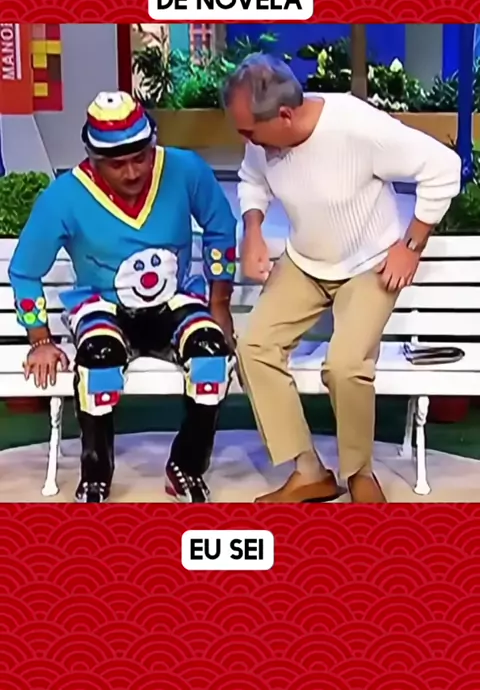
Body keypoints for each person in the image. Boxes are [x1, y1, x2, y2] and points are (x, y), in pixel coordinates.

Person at [223, 54, 462, 503]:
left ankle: (359, 474)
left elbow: (444, 168)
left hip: (368, 265)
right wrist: (253, 229)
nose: (245, 140)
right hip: (305, 261)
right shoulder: (262, 139)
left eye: (250, 132)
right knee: (254, 349)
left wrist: (411, 245)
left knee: (346, 365)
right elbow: (252, 180)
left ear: (285, 115)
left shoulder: (356, 126)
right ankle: (308, 471)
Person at [9, 91, 237, 503]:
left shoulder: (185, 169)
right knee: (98, 360)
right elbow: (25, 270)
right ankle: (96, 475)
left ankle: (186, 466)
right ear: (93, 159)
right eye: (117, 164)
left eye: (140, 158)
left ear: (153, 144)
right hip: (103, 307)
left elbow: (221, 227)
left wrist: (219, 305)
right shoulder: (64, 196)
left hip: (175, 300)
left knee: (211, 353)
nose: (132, 172)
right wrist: (40, 340)